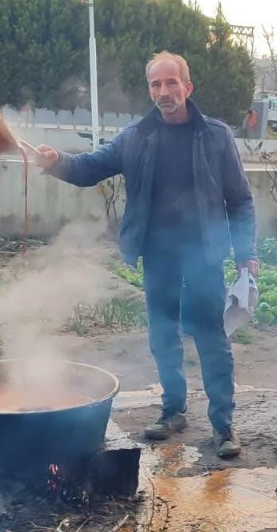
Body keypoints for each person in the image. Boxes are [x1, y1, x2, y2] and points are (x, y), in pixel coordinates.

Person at [33, 51, 257, 459]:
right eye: (156, 84)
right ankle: (173, 411)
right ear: (149, 89)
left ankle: (223, 426)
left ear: (188, 87)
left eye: (172, 83)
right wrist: (55, 162)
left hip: (204, 254)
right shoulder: (136, 137)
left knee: (211, 338)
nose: (164, 91)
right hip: (158, 254)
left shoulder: (216, 136)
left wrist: (247, 254)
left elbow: (239, 199)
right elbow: (89, 167)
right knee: (163, 336)